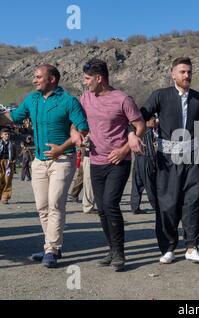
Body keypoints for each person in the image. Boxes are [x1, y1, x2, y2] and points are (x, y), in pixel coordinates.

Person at [0, 64, 89, 268]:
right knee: (42, 206)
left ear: (52, 79)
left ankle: (51, 248)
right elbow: (12, 118)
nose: (34, 80)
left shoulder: (69, 101)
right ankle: (52, 246)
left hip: (63, 159)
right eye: (35, 76)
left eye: (38, 77)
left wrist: (62, 147)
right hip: (39, 161)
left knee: (55, 203)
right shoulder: (32, 99)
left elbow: (83, 129)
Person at [141, 57, 199, 264]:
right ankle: (168, 248)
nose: (186, 75)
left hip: (193, 159)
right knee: (168, 203)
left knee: (193, 202)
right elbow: (140, 116)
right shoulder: (160, 96)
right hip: (167, 160)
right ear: (173, 74)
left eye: (189, 72)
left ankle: (191, 246)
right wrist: (137, 130)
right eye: (182, 72)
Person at [80, 59, 146, 272]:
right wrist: (80, 136)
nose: (85, 82)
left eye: (88, 78)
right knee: (101, 210)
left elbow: (140, 125)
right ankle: (111, 249)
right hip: (95, 160)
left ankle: (119, 253)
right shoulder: (85, 98)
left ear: (99, 78)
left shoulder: (122, 99)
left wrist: (125, 149)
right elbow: (76, 122)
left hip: (119, 161)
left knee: (110, 204)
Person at [130, 118, 158, 215]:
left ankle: (134, 206)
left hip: (138, 157)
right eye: (153, 121)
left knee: (137, 183)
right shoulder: (147, 130)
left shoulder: (137, 130)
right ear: (146, 122)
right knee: (149, 183)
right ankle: (156, 205)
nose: (154, 123)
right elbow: (150, 148)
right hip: (146, 158)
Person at [0, 128, 17, 204]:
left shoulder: (12, 144)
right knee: (0, 179)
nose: (7, 135)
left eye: (8, 134)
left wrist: (13, 160)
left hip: (9, 162)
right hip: (0, 162)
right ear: (1, 136)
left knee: (8, 180)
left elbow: (15, 153)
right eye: (5, 134)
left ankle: (5, 197)